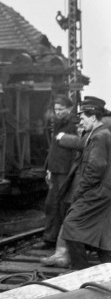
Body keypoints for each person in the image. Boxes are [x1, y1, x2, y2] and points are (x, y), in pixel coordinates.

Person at [59, 96, 111, 269]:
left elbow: (96, 167)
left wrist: (81, 191)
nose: (81, 120)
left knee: (71, 225)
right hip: (103, 192)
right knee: (102, 233)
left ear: (93, 117)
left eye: (83, 117)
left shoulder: (100, 136)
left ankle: (80, 271)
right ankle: (105, 273)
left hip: (97, 192)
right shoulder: (98, 134)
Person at [42, 95, 79, 249]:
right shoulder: (57, 123)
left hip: (66, 172)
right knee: (51, 205)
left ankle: (64, 243)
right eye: (56, 109)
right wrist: (49, 169)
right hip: (56, 170)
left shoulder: (74, 124)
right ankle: (50, 239)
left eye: (61, 109)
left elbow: (77, 150)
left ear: (69, 109)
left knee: (64, 206)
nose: (58, 112)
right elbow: (53, 150)